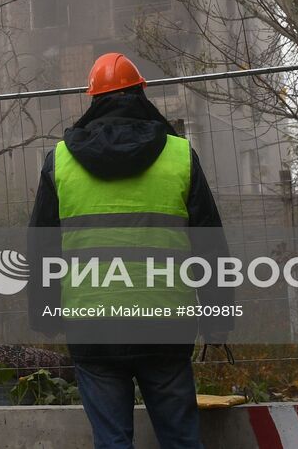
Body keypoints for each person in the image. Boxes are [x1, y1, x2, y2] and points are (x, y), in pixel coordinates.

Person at [28, 52, 231, 449]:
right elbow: (209, 244)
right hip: (165, 325)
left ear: (92, 100)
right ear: (142, 94)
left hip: (93, 327)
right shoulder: (179, 156)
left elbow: (42, 249)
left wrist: (46, 315)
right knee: (181, 440)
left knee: (112, 442)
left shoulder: (60, 162)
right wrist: (217, 318)